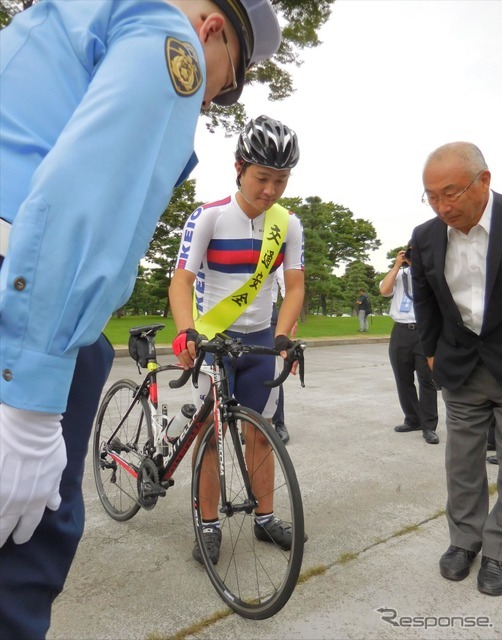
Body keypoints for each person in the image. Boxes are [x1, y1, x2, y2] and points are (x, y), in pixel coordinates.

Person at [0, 1, 282, 637]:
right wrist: (30, 394)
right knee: (19, 569)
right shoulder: (168, 35)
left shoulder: (66, 13)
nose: (206, 102)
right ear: (212, 30)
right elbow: (88, 193)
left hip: (21, 284)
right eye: (224, 84)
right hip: (26, 305)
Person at [169, 114, 306, 565]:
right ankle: (208, 525)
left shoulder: (288, 225)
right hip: (214, 340)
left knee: (261, 437)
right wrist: (187, 329)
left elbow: (295, 286)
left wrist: (284, 336)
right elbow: (181, 281)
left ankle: (265, 518)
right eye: (262, 178)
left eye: (280, 180)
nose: (270, 190)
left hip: (261, 339)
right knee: (211, 435)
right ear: (239, 168)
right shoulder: (208, 216)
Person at [411, 142, 502, 596]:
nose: (443, 206)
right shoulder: (426, 235)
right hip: (461, 366)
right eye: (432, 196)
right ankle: (464, 541)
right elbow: (425, 300)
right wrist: (431, 353)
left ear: (484, 180)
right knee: (462, 463)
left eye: (452, 193)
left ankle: (499, 549)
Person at [379, 246, 439, 444]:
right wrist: (397, 265)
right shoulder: (399, 274)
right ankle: (413, 419)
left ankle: (429, 426)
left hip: (424, 331)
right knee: (403, 379)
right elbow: (384, 290)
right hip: (401, 331)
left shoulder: (431, 274)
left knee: (426, 380)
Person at [270, 263, 298, 444]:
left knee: (269, 370)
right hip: (225, 312)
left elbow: (287, 282)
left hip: (265, 309)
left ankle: (278, 422)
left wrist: (291, 317)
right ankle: (243, 422)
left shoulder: (272, 238)